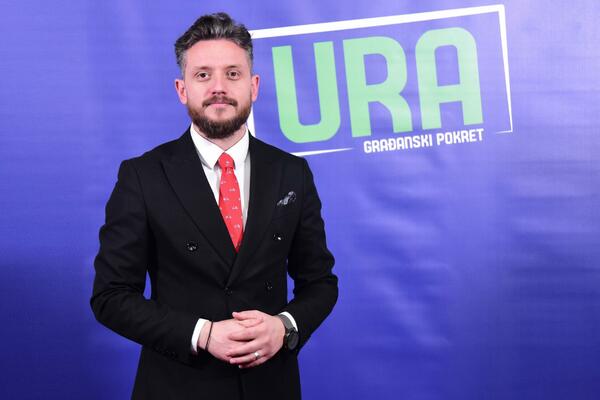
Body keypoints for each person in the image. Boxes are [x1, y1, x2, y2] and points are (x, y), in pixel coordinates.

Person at [90, 12, 338, 400]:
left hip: (270, 387)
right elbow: (111, 296)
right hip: (177, 387)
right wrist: (202, 334)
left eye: (232, 74)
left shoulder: (292, 173)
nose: (218, 87)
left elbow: (320, 283)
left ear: (254, 86)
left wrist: (285, 326)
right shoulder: (142, 176)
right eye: (203, 75)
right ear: (181, 89)